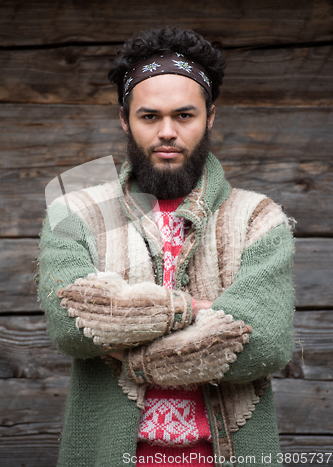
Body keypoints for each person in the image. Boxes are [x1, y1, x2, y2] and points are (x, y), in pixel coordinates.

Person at [38, 27, 295, 467]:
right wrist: (196, 312)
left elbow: (263, 342)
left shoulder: (258, 218)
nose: (168, 131)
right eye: (150, 116)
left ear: (210, 117)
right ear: (125, 119)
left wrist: (124, 344)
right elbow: (70, 323)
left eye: (184, 115)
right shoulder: (75, 213)